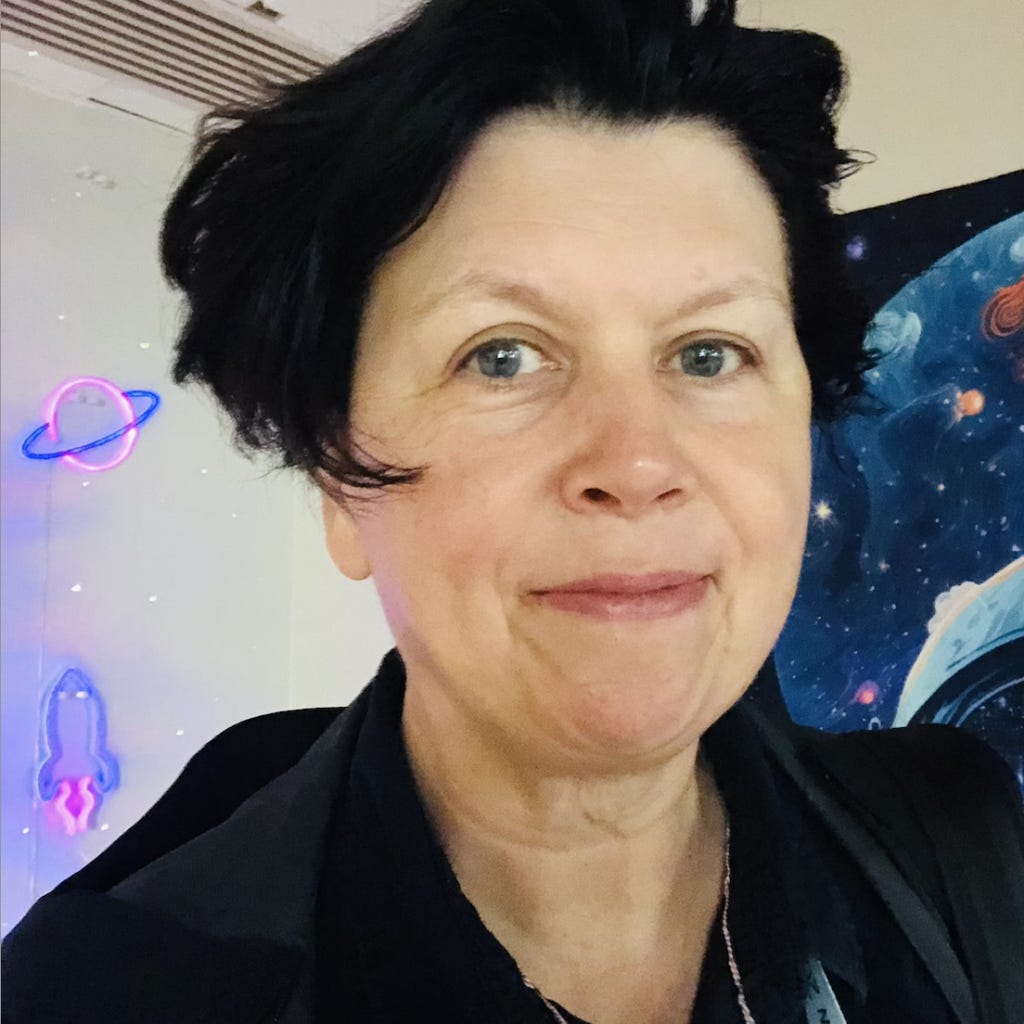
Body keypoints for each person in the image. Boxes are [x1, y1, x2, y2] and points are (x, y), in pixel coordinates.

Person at [3, 1, 1023, 1022]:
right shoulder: (113, 993)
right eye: (501, 356)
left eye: (710, 354)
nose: (637, 462)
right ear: (338, 480)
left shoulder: (957, 844)